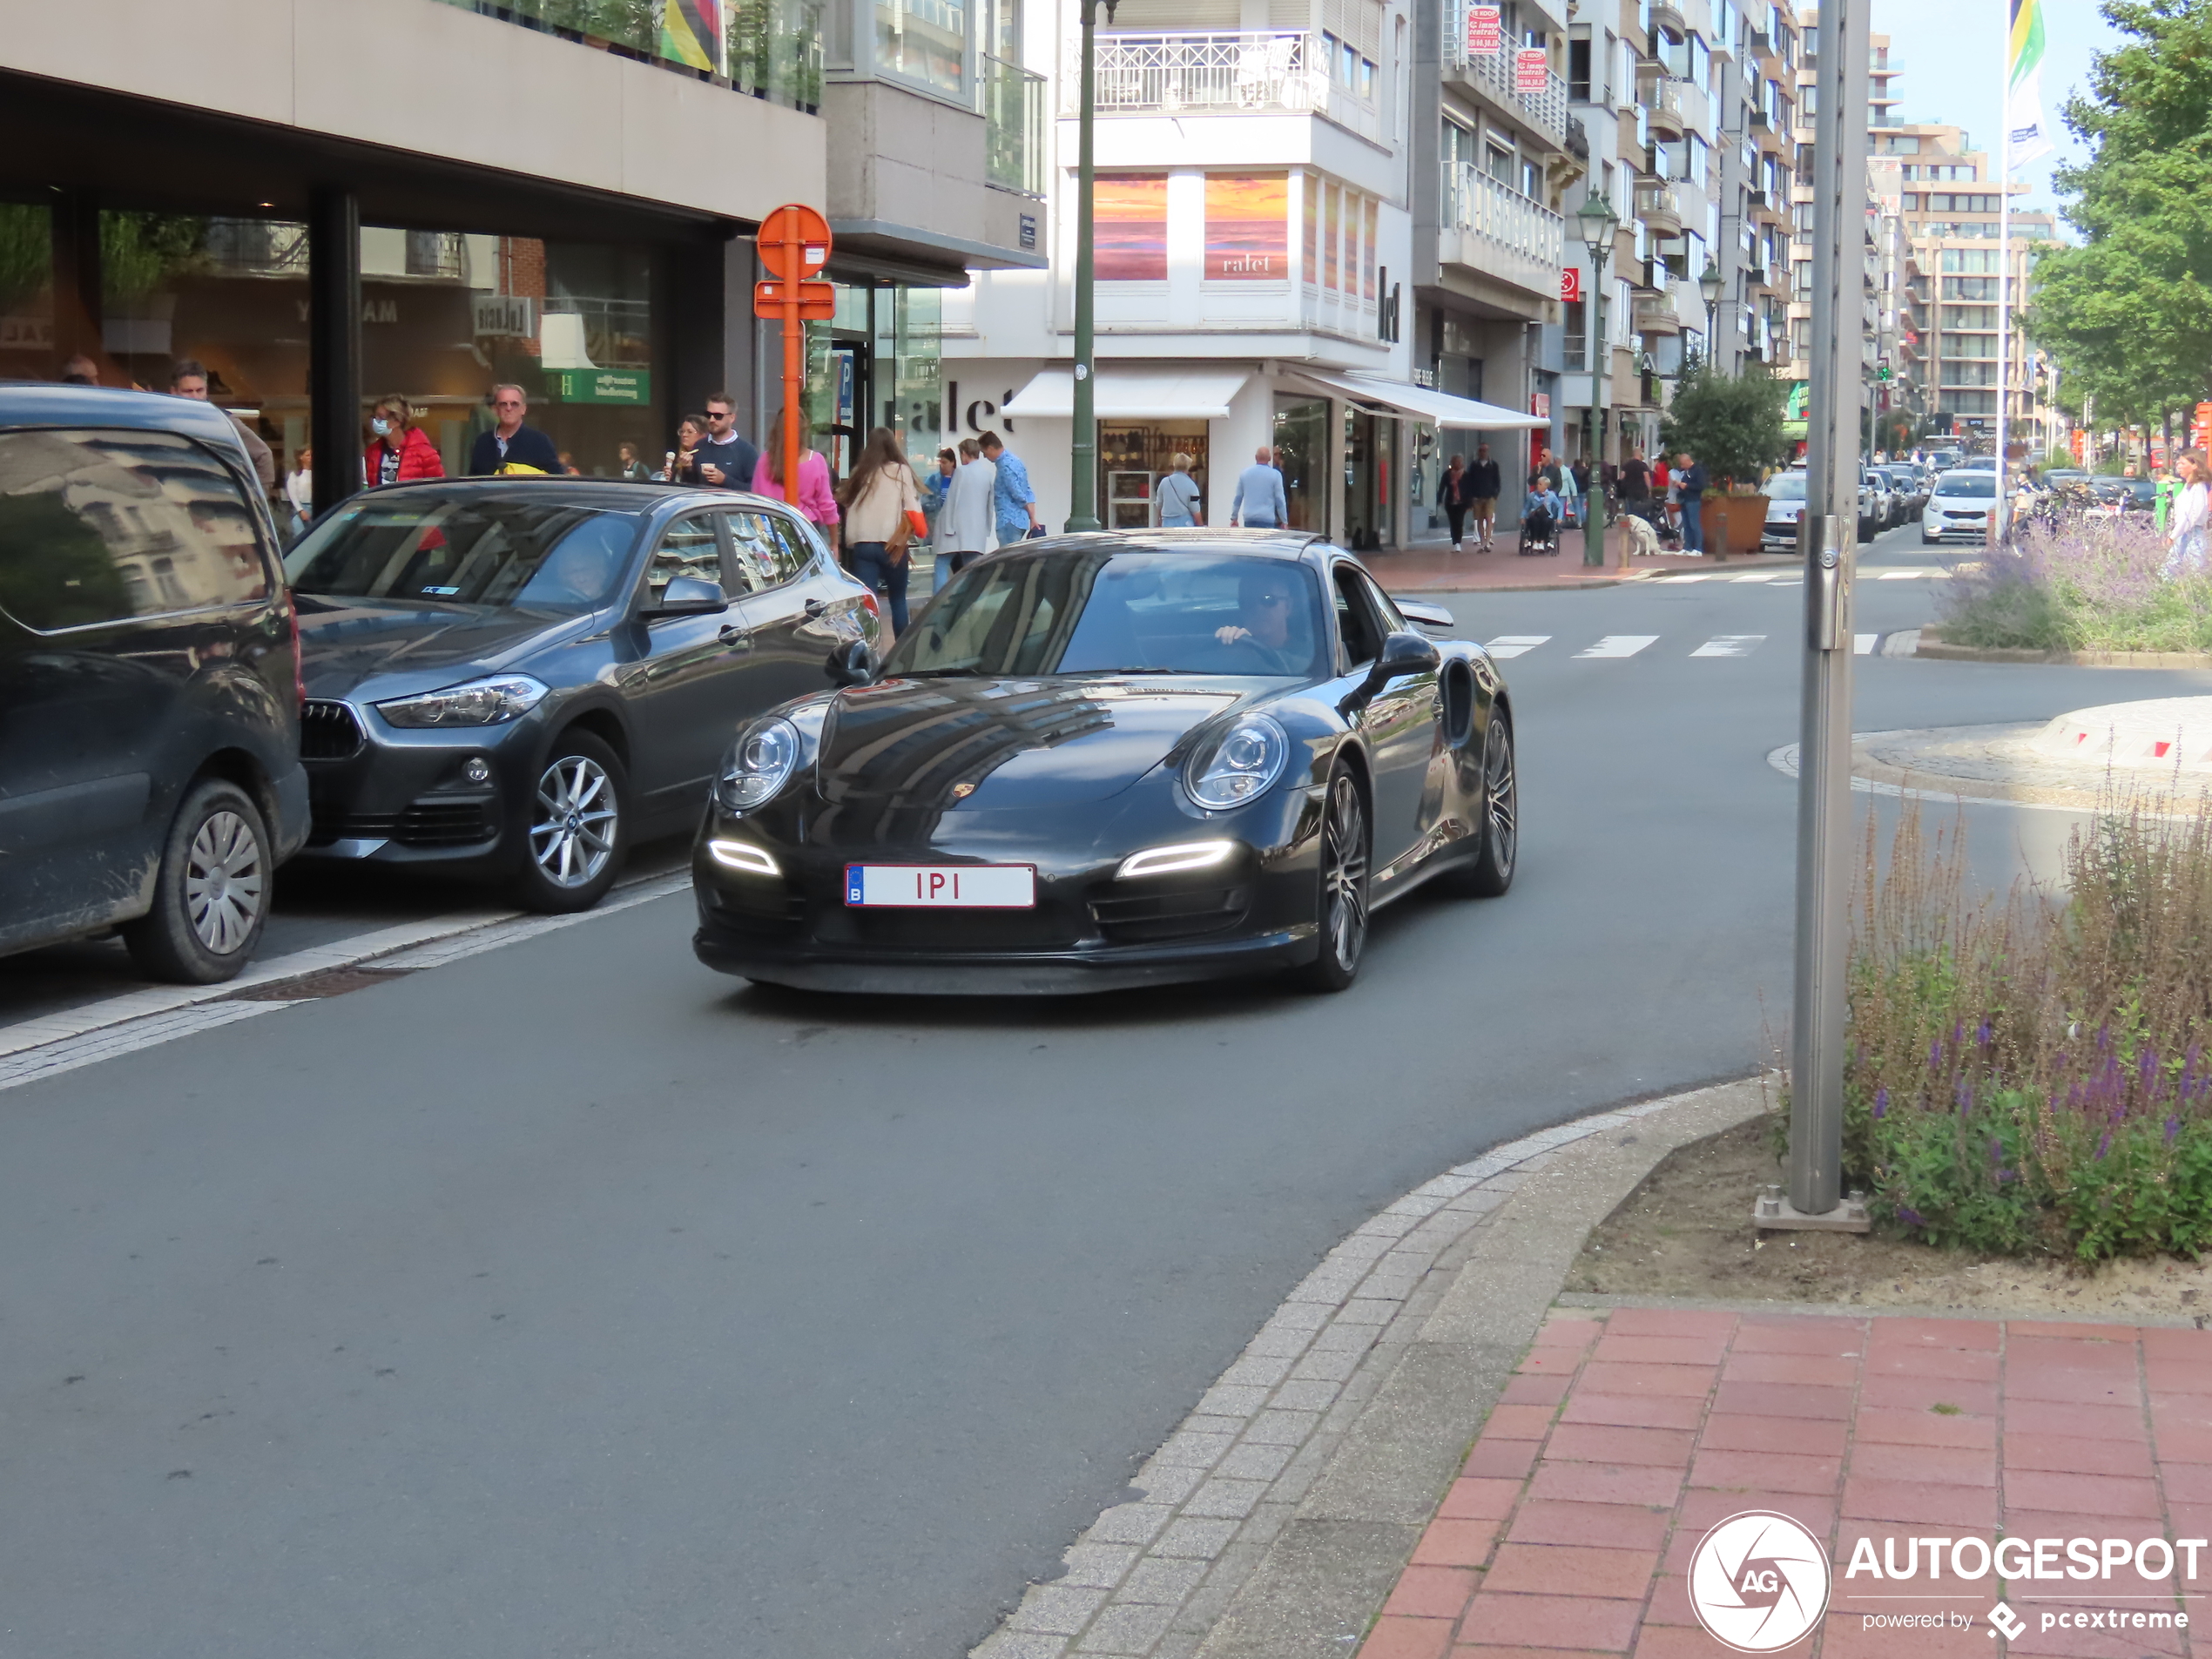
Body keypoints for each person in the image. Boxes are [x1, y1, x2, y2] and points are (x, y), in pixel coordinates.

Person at [838, 426, 923, 634]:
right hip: (892, 544)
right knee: (897, 600)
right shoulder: (901, 471)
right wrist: (920, 530)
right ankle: (900, 653)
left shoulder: (860, 472)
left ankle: (868, 649)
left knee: (869, 605)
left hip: (863, 545)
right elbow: (912, 507)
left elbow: (846, 504)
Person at [169, 358, 275, 490]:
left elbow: (264, 455)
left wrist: (255, 499)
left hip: (215, 501)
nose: (195, 396)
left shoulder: (223, 421)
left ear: (206, 390)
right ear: (174, 392)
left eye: (200, 390)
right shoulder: (162, 422)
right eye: (188, 391)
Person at [749, 408, 840, 538]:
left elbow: (755, 500)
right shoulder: (815, 460)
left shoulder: (764, 460)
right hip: (806, 527)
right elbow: (826, 505)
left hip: (769, 528)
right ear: (804, 429)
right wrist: (834, 541)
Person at [1211, 567, 1309, 673]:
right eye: (1248, 601)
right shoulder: (1234, 647)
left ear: (1288, 606)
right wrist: (1226, 644)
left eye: (1268, 599)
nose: (1258, 608)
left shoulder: (1310, 656)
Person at [468, 383, 563, 475]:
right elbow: (473, 484)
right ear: (495, 410)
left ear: (523, 409)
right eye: (503, 404)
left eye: (514, 404)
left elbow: (556, 481)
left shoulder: (540, 442)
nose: (509, 408)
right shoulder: (482, 442)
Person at [938, 437, 997, 577]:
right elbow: (989, 506)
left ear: (964, 453)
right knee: (972, 570)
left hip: (957, 530)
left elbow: (952, 501)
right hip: (977, 531)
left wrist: (948, 528)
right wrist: (987, 529)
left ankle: (937, 597)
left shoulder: (961, 472)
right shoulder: (988, 476)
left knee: (941, 563)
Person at [364, 394, 445, 489]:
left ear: (397, 421)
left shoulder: (425, 454)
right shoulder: (373, 452)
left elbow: (438, 489)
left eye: (381, 417)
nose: (375, 421)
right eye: (374, 416)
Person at [978, 431, 1039, 544]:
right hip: (1021, 521)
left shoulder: (1005, 466)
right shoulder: (1016, 461)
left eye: (984, 452)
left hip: (1009, 520)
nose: (985, 456)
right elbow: (1027, 490)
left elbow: (1017, 492)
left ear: (991, 448)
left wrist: (1028, 510)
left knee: (1008, 559)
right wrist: (1032, 516)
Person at [694, 393, 759, 490]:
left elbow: (755, 489)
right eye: (708, 415)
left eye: (718, 416)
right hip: (702, 504)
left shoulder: (747, 451)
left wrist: (724, 480)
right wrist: (687, 469)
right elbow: (691, 485)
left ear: (732, 418)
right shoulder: (699, 446)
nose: (712, 420)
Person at [2167, 448, 2209, 577]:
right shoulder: (2187, 486)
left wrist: (2173, 536)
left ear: (2195, 466)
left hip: (2192, 535)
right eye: (2178, 463)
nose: (2178, 466)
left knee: (2191, 575)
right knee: (2170, 573)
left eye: (2182, 463)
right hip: (2183, 533)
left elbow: (2190, 516)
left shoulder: (2198, 488)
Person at [1231, 446, 1287, 529]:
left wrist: (1234, 517)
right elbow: (1280, 500)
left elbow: (1238, 498)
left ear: (1256, 457)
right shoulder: (1276, 475)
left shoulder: (1244, 474)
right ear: (1269, 458)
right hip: (1267, 519)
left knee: (1251, 541)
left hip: (1249, 519)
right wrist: (1284, 521)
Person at [1466, 442, 1502, 550]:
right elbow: (1470, 480)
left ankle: (1488, 540)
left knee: (1489, 517)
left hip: (1490, 495)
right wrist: (1471, 495)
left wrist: (1496, 493)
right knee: (1479, 519)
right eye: (1481, 450)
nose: (1482, 453)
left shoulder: (1493, 465)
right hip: (1477, 496)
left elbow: (1497, 480)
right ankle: (1482, 541)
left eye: (1484, 450)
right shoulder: (1474, 465)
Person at [1520, 471, 1562, 555]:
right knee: (1534, 520)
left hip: (1547, 515)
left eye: (1540, 484)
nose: (1537, 486)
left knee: (1546, 521)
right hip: (1534, 515)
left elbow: (1560, 506)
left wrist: (1559, 518)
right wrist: (1522, 516)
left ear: (1545, 486)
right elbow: (1526, 508)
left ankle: (1543, 541)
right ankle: (1535, 541)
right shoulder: (1532, 495)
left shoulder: (1551, 495)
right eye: (1538, 484)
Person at [1676, 451, 1708, 555]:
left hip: (1693, 500)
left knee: (1694, 524)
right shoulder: (1687, 471)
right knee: (1686, 524)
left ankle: (1698, 548)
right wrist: (1679, 485)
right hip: (1685, 499)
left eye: (1683, 464)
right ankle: (1687, 547)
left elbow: (1701, 485)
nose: (1682, 466)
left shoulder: (1698, 470)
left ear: (1688, 461)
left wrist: (1687, 486)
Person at [1158, 452, 1203, 527]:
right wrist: (1201, 525)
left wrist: (1159, 521)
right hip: (1185, 524)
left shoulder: (1164, 482)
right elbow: (1195, 508)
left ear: (1174, 465)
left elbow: (1159, 503)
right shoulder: (1192, 485)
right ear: (1188, 467)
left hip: (1167, 523)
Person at [661, 415, 707, 482]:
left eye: (690, 432)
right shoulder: (677, 457)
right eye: (682, 431)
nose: (684, 435)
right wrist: (669, 477)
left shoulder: (706, 457)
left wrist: (689, 469)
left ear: (703, 435)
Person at [283, 446, 314, 538]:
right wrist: (300, 510)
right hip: (302, 508)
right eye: (308, 455)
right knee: (300, 537)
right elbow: (293, 495)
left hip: (314, 506)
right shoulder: (295, 475)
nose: (311, 458)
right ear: (301, 457)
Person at [1440, 454, 1469, 550]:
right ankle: (1454, 540)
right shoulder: (1447, 474)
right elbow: (1442, 488)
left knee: (1459, 521)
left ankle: (1458, 542)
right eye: (1455, 462)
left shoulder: (1465, 475)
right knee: (1452, 522)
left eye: (1459, 462)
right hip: (1450, 502)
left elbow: (1470, 489)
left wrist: (1470, 502)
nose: (1457, 464)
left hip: (1462, 502)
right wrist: (1439, 499)